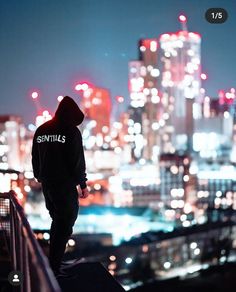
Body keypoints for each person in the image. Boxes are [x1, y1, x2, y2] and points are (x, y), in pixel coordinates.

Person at [31, 96, 89, 275]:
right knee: (65, 223)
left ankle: (53, 264)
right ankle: (54, 267)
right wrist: (82, 184)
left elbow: (34, 157)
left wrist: (40, 177)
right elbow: (77, 161)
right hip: (64, 185)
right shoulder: (71, 131)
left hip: (48, 185)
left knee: (57, 221)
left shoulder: (41, 130)